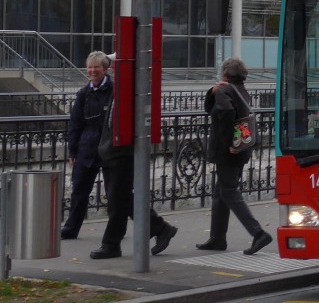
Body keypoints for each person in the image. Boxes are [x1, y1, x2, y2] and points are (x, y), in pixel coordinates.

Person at [86, 52, 178, 259]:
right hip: (113, 150)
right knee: (121, 200)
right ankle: (160, 228)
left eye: (115, 66)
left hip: (120, 151)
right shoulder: (119, 87)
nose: (111, 68)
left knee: (118, 203)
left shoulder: (130, 88)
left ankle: (112, 244)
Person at [197, 57, 272, 255]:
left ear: (224, 74)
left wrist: (229, 142)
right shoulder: (241, 90)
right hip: (241, 148)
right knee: (220, 191)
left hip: (228, 151)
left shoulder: (224, 90)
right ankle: (217, 238)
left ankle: (258, 233)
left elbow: (224, 111)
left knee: (228, 190)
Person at [62, 53, 112, 239]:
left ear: (105, 70)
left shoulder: (114, 90)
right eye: (89, 67)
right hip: (86, 148)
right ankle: (71, 228)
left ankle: (116, 228)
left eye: (96, 67)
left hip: (108, 148)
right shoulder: (83, 93)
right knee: (79, 191)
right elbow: (75, 124)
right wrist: (72, 150)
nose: (92, 71)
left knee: (114, 192)